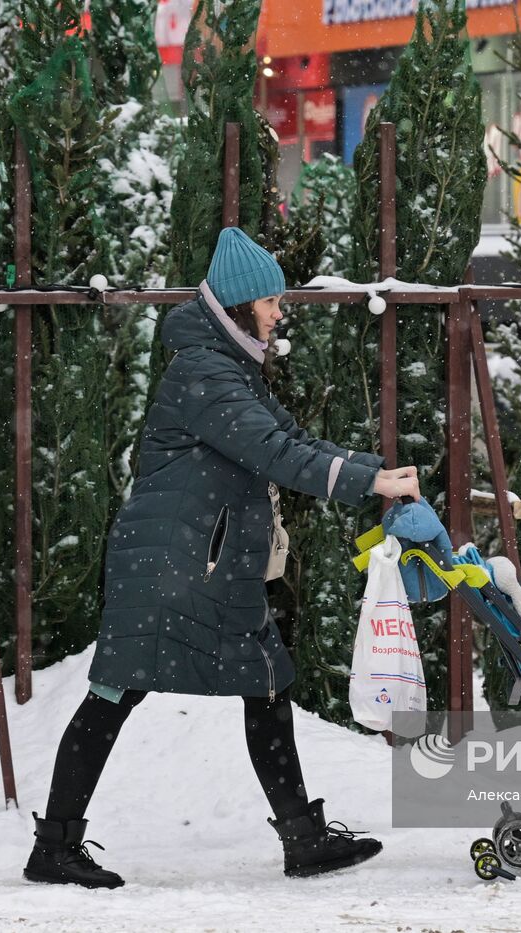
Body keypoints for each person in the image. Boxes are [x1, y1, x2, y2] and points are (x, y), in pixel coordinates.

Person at [23, 227, 422, 889]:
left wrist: (370, 468)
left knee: (265, 680)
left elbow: (285, 436)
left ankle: (302, 836)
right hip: (174, 565)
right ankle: (55, 845)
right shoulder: (205, 373)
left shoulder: (226, 364)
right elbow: (273, 452)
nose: (277, 312)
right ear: (238, 305)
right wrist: (368, 483)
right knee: (114, 692)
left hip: (202, 561)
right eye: (269, 301)